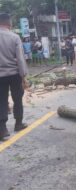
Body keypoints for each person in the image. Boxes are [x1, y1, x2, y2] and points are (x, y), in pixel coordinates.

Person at [0, 13, 29, 141]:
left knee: (1, 100)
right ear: (9, 23)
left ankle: (2, 129)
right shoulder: (15, 37)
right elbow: (20, 59)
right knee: (17, 98)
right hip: (14, 74)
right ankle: (18, 123)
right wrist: (23, 76)